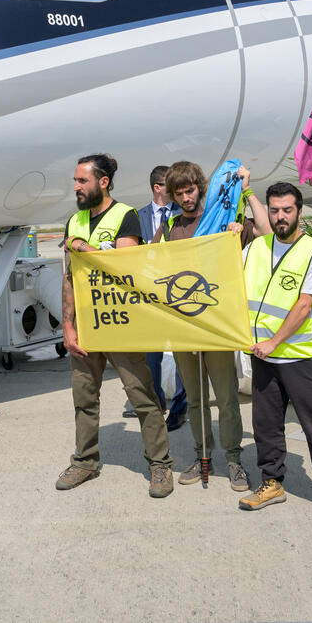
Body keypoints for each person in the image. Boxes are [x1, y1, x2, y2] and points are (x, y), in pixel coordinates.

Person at [56, 153, 174, 498]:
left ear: (103, 182)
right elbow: (69, 277)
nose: (76, 187)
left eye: (82, 181)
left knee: (142, 397)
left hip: (120, 322)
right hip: (86, 326)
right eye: (76, 181)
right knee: (84, 398)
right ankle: (85, 462)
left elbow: (124, 270)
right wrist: (68, 326)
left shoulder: (127, 217)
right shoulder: (74, 221)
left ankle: (160, 465)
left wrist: (84, 248)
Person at [238, 182, 312, 523]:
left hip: (301, 356)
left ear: (299, 211)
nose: (281, 216)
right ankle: (272, 483)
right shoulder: (255, 248)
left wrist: (274, 342)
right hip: (263, 357)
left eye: (287, 210)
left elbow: (303, 306)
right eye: (274, 211)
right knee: (266, 425)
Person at [153, 160, 255, 491]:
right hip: (183, 325)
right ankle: (202, 456)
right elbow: (148, 263)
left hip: (215, 323)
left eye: (191, 190)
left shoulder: (222, 219)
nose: (186, 197)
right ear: (171, 195)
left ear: (201, 187)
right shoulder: (168, 228)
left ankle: (234, 460)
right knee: (195, 398)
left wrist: (239, 231)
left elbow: (258, 234)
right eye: (179, 192)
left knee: (226, 397)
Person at [124, 164, 188, 430]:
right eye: (169, 185)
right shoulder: (138, 216)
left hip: (179, 295)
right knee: (151, 359)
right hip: (150, 299)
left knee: (184, 356)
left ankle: (180, 410)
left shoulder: (183, 215)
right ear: (157, 187)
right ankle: (158, 402)